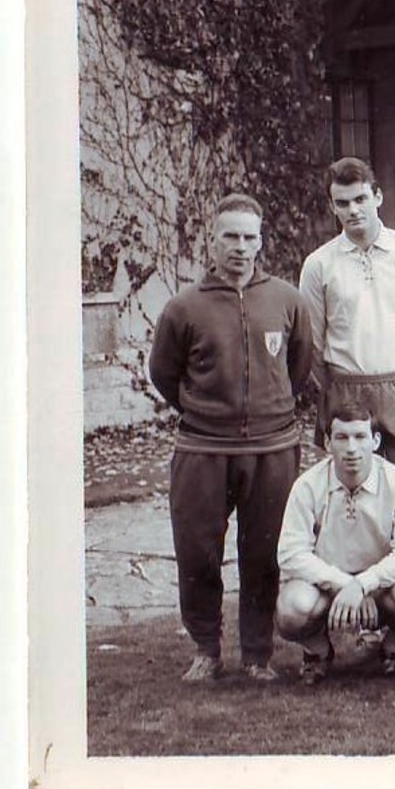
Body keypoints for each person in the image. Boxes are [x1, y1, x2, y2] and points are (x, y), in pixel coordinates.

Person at [148, 193, 313, 682]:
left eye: (249, 237)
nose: (240, 247)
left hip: (272, 448)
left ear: (260, 241)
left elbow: (298, 368)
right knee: (199, 551)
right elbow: (164, 373)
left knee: (263, 553)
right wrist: (207, 412)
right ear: (212, 240)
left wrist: (266, 407)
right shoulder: (184, 307)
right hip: (203, 448)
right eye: (230, 237)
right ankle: (206, 647)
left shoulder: (286, 299)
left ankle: (258, 655)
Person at [299, 157, 395, 508]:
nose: (353, 210)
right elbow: (312, 342)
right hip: (348, 389)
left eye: (360, 199)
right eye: (343, 203)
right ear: (333, 206)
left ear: (377, 197)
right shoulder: (319, 264)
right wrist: (339, 383)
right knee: (352, 501)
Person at [274, 406, 395, 684]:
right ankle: (318, 652)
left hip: (383, 587)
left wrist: (363, 585)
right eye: (342, 437)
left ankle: (393, 650)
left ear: (376, 442)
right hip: (327, 588)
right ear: (327, 442)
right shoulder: (308, 485)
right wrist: (343, 584)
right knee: (291, 607)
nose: (351, 448)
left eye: (360, 437)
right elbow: (290, 552)